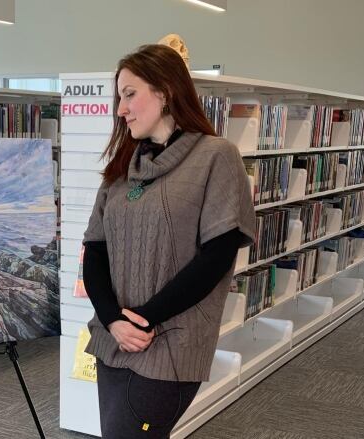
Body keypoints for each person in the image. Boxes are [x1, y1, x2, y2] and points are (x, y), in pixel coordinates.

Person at [82, 44, 256, 438]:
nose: (120, 109)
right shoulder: (122, 167)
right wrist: (113, 319)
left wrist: (143, 318)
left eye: (130, 94)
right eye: (118, 97)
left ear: (165, 91)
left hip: (169, 343)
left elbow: (218, 255)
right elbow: (95, 249)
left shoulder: (217, 157)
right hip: (115, 340)